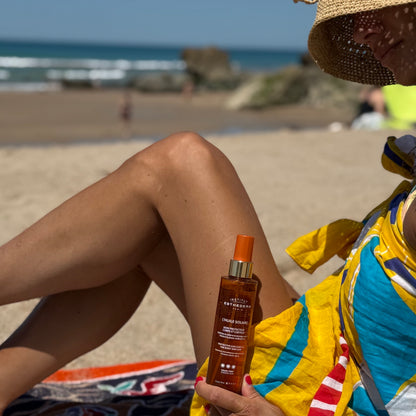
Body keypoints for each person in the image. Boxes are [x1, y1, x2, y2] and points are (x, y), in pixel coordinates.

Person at [1, 1, 416, 415]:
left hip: (310, 396)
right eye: (354, 16)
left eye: (372, 6)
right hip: (328, 353)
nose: (360, 31)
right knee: (154, 218)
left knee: (180, 162)